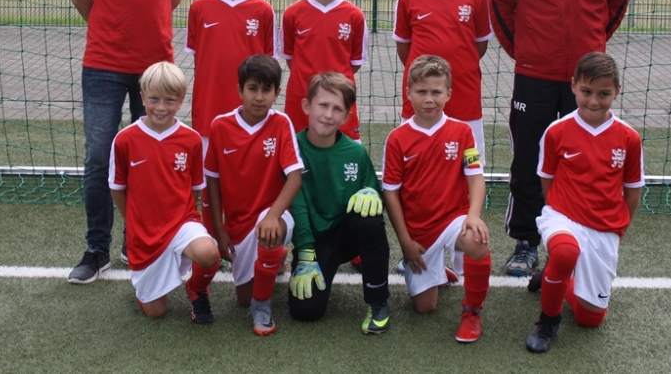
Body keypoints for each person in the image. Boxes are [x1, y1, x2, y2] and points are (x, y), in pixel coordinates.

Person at [488, 0, 631, 277]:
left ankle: (578, 236)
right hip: (533, 75)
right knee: (528, 160)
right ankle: (526, 242)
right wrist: (525, 52)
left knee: (584, 161)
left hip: (586, 82)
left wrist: (592, 50)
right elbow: (499, 3)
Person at [67, 0, 192, 283]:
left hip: (156, 69)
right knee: (99, 158)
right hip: (102, 64)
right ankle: (97, 248)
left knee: (151, 159)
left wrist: (142, 31)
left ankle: (139, 240)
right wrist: (111, 27)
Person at [392, 0, 494, 279]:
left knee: (467, 174)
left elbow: (478, 46)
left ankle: (462, 258)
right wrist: (427, 90)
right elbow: (405, 51)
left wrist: (451, 81)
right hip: (419, 109)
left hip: (465, 104)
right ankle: (417, 248)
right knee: (417, 180)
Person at [524, 52, 644, 353]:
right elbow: (547, 180)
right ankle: (548, 320)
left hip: (604, 227)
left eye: (604, 94)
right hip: (563, 217)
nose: (593, 101)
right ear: (573, 86)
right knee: (566, 252)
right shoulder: (557, 131)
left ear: (617, 91)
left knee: (590, 320)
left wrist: (620, 228)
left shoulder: (629, 138)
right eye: (586, 91)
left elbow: (632, 191)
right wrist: (559, 212)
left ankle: (553, 277)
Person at [382, 55, 492, 343]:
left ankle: (472, 311)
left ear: (448, 94)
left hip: (454, 217)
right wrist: (405, 242)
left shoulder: (462, 131)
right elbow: (391, 193)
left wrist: (473, 215)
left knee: (477, 241)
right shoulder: (397, 138)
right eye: (421, 91)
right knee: (425, 307)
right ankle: (436, 269)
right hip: (419, 232)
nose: (429, 99)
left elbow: (475, 177)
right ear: (408, 93)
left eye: (436, 92)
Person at [108, 62, 222, 323]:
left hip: (181, 223)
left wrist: (185, 219)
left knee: (209, 253)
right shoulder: (125, 140)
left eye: (169, 100)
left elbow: (194, 190)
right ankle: (147, 291)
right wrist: (133, 222)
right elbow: (117, 189)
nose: (161, 107)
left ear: (181, 101)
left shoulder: (191, 139)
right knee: (156, 312)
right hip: (145, 233)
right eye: (154, 99)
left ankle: (197, 289)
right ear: (142, 98)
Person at [205, 55, 304, 336]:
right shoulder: (220, 126)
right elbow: (212, 182)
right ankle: (273, 260)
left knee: (269, 232)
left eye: (267, 90)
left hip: (273, 214)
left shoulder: (281, 123)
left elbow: (295, 177)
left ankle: (262, 307)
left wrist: (273, 215)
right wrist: (219, 231)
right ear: (240, 90)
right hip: (238, 224)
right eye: (253, 88)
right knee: (242, 299)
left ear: (277, 93)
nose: (259, 97)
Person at [184, 0, 276, 234]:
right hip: (209, 112)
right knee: (209, 181)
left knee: (251, 180)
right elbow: (199, 59)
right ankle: (211, 240)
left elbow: (268, 66)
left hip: (252, 115)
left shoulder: (263, 11)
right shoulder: (199, 8)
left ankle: (249, 239)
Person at [287, 72, 391, 334]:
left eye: (337, 109)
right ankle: (306, 263)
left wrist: (371, 192)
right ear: (307, 106)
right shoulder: (292, 149)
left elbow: (374, 193)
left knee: (370, 217)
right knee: (305, 311)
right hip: (314, 241)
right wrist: (305, 252)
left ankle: (378, 300)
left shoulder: (355, 152)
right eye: (322, 105)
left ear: (346, 117)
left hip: (346, 233)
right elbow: (296, 205)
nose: (328, 115)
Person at [279, 0, 368, 142]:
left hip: (340, 98)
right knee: (298, 154)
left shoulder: (354, 15)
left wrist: (334, 83)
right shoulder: (292, 14)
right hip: (302, 97)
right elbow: (290, 58)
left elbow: (355, 63)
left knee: (344, 153)